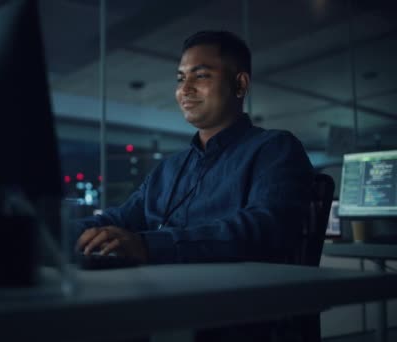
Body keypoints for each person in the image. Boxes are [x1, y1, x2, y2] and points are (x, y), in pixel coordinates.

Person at [74, 31, 314, 341]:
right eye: (179, 78)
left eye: (200, 76)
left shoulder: (274, 148)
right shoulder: (169, 169)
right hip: (161, 308)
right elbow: (117, 220)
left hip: (237, 320)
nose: (184, 89)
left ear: (240, 85)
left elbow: (266, 228)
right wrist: (45, 234)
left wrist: (147, 246)